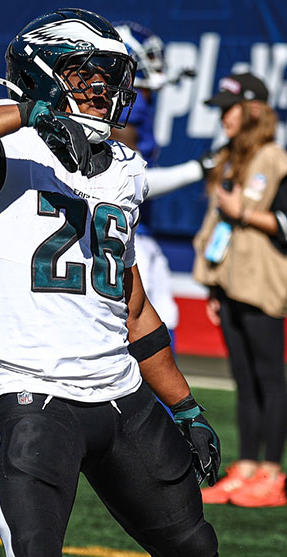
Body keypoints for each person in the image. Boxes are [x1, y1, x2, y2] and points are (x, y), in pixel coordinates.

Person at [0, 9, 257, 557]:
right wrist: (27, 115)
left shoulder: (121, 164)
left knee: (192, 548)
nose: (99, 87)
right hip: (33, 390)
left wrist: (184, 406)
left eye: (108, 75)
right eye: (82, 72)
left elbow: (131, 301)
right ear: (41, 73)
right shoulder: (4, 138)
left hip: (120, 394)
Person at [191, 73, 287, 509]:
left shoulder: (275, 159)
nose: (222, 118)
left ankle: (272, 474)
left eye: (228, 109)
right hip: (231, 283)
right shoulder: (231, 159)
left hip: (261, 285)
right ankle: (247, 467)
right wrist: (214, 285)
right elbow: (218, 229)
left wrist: (246, 214)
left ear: (253, 110)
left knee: (269, 378)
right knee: (243, 380)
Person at [109, 21, 179, 336]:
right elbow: (131, 181)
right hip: (125, 229)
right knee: (143, 321)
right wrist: (200, 169)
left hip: (139, 228)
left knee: (164, 314)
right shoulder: (127, 105)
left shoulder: (142, 101)